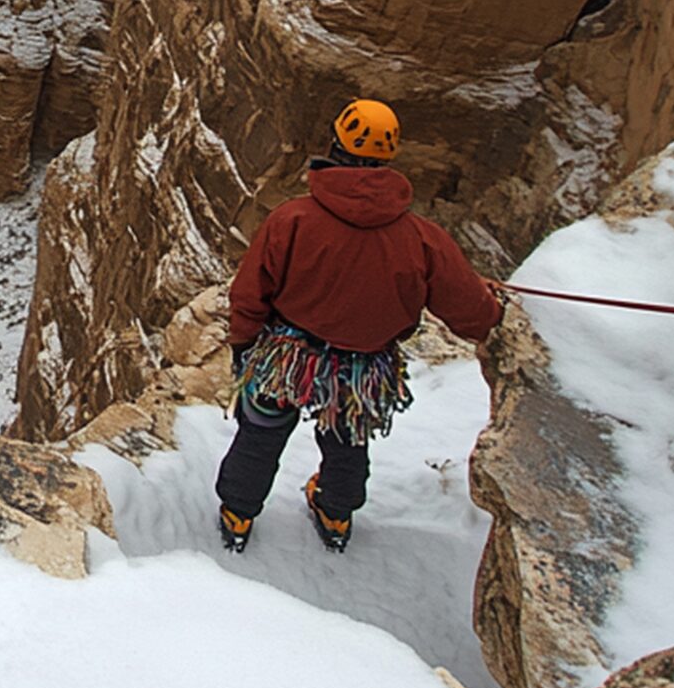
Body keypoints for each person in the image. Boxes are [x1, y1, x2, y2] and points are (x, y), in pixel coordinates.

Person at [216, 97, 503, 554]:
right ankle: (335, 512)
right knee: (348, 440)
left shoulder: (291, 220)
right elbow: (472, 311)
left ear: (335, 146)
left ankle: (237, 513)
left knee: (261, 432)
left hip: (289, 358)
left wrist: (243, 342)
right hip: (362, 369)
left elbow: (252, 291)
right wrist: (494, 308)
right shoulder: (422, 239)